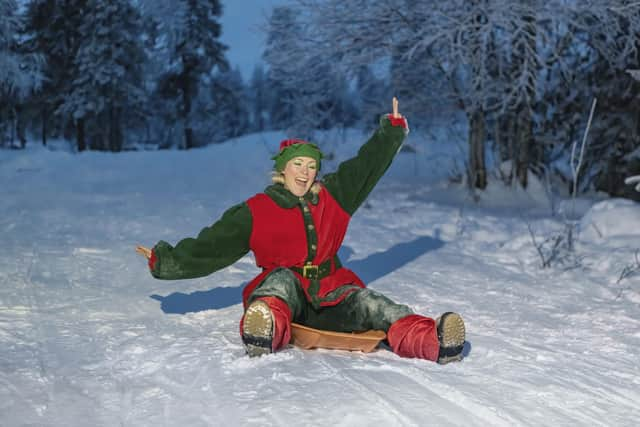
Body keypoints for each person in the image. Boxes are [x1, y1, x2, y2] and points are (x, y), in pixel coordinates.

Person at [136, 98, 466, 364]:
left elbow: (366, 167)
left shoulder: (333, 197)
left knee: (375, 305)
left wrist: (391, 133)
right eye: (298, 164)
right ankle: (263, 330)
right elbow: (212, 245)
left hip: (333, 292)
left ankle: (434, 341)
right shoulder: (256, 209)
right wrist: (167, 261)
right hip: (288, 295)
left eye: (311, 166)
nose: (305, 173)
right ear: (282, 169)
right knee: (277, 285)